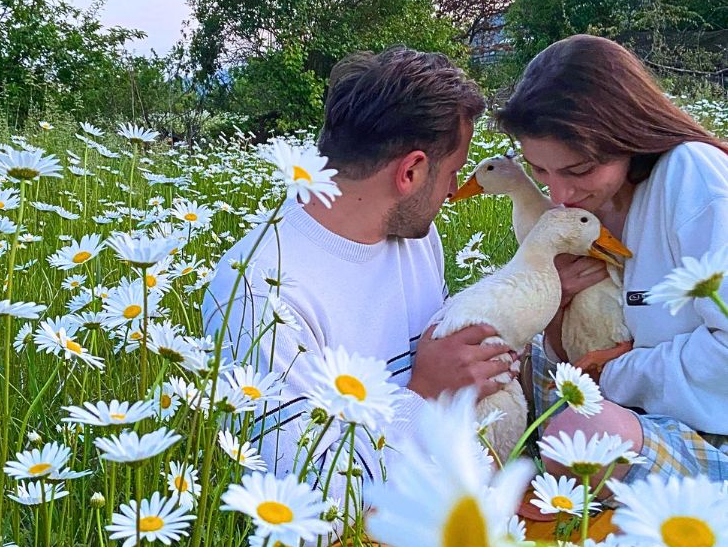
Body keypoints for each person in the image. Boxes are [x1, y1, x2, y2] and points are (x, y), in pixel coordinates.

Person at [202, 46, 518, 491]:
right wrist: (425, 394)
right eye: (453, 173)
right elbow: (301, 498)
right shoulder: (257, 292)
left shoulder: (419, 240)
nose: (452, 193)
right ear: (410, 172)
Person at [497, 34, 728, 484]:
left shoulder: (692, 178)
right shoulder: (582, 213)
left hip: (710, 431)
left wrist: (609, 373)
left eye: (578, 170)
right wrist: (554, 307)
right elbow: (559, 365)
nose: (560, 195)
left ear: (628, 133)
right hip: (637, 418)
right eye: (540, 170)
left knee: (583, 434)